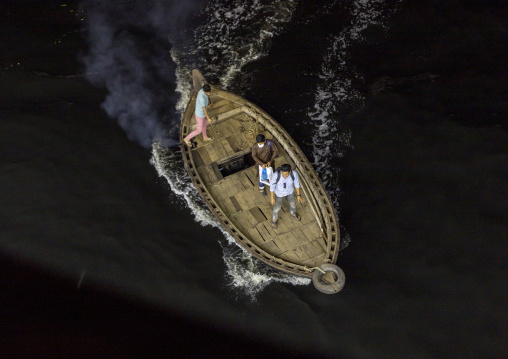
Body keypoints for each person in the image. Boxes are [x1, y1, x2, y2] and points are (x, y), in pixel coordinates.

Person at [270, 163, 304, 228]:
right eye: (283, 174)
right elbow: (272, 186)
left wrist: (298, 195)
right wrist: (272, 198)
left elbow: (296, 184)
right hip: (279, 194)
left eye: (286, 174)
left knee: (293, 204)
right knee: (277, 207)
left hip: (290, 192)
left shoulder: (294, 174)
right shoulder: (276, 175)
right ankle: (274, 219)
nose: (284, 176)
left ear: (290, 171)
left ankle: (293, 213)